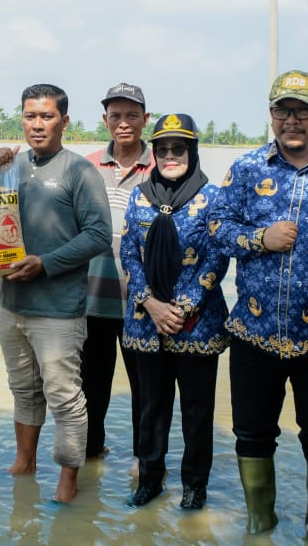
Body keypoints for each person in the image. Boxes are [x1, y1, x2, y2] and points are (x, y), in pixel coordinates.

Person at [211, 70, 308, 542]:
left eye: (303, 110)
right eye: (283, 109)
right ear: (271, 115)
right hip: (253, 334)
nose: (292, 120)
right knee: (252, 434)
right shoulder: (246, 168)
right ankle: (261, 525)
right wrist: (260, 238)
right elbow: (216, 229)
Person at [0, 83, 111, 503]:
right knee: (22, 388)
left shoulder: (79, 171)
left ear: (64, 121)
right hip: (11, 304)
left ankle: (68, 480)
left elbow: (98, 234)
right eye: (30, 116)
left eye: (47, 116)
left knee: (63, 395)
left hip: (58, 310)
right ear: (20, 118)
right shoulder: (10, 166)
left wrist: (47, 262)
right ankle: (25, 462)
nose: (37, 125)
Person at [121, 114, 230, 510]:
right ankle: (150, 480)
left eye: (178, 148)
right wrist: (150, 302)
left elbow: (217, 258)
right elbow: (128, 251)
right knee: (151, 409)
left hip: (195, 325)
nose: (170, 156)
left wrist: (181, 309)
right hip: (145, 323)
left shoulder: (213, 198)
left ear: (193, 151)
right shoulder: (139, 196)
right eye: (163, 148)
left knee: (197, 412)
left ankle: (194, 487)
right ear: (154, 152)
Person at [82, 83, 153, 462]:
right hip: (93, 298)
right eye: (115, 116)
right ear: (105, 120)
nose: (123, 123)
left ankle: (145, 463)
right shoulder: (87, 165)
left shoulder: (164, 165)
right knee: (92, 387)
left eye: (131, 115)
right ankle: (92, 457)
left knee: (146, 389)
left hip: (143, 303)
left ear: (145, 119)